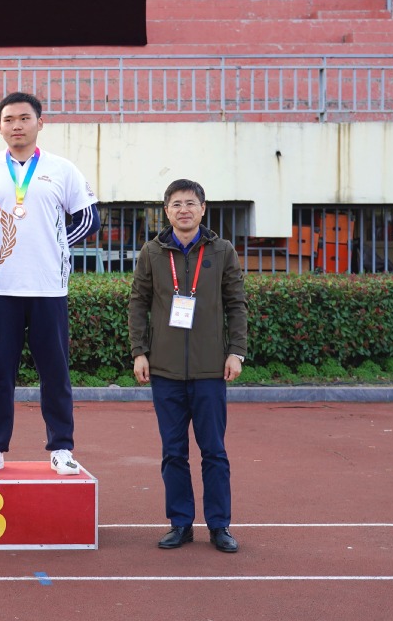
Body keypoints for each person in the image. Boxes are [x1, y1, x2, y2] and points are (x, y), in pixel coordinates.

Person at [0, 91, 99, 475]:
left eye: (24, 118)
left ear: (40, 123)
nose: (16, 126)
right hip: (1, 287)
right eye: (9, 119)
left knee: (55, 372)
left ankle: (61, 448)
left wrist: (56, 245)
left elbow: (89, 218)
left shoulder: (62, 169)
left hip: (48, 288)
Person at [128, 179, 247, 554]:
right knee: (173, 452)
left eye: (191, 203)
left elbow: (236, 304)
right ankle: (180, 524)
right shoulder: (152, 252)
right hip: (164, 371)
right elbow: (138, 303)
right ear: (166, 211)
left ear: (203, 209)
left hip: (211, 370)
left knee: (214, 452)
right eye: (176, 204)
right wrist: (139, 352)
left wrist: (236, 352)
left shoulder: (222, 251)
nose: (184, 210)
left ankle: (219, 525)